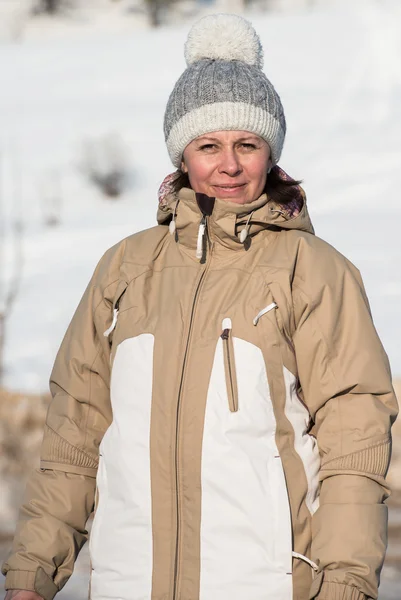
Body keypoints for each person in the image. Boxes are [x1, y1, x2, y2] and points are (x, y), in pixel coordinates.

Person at [2, 13, 398, 600]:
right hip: (129, 584)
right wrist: (32, 573)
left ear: (271, 152)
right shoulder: (126, 269)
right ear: (182, 155)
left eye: (248, 144)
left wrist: (346, 584)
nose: (229, 165)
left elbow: (354, 442)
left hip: (263, 584)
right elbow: (74, 436)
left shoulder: (313, 272)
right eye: (208, 145)